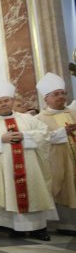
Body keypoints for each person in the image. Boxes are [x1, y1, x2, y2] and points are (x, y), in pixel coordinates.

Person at [0, 80, 56, 240]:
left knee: (34, 190)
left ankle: (39, 229)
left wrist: (25, 136)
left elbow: (45, 134)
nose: (3, 104)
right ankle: (16, 227)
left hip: (30, 166)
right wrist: (1, 138)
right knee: (10, 193)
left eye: (6, 100)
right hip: (6, 168)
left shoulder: (28, 119)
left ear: (12, 101)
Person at [35, 72, 76, 235]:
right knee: (64, 188)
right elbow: (41, 139)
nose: (61, 97)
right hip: (58, 161)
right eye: (56, 94)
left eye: (63, 93)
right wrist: (62, 132)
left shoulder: (73, 113)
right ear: (46, 99)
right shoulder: (39, 118)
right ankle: (66, 225)